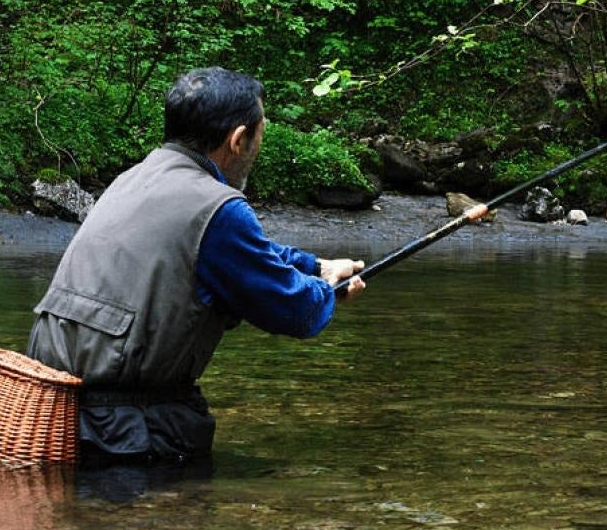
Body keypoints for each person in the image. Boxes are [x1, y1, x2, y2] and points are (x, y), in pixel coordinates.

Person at [26, 67, 365, 463]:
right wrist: (326, 292)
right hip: (127, 432)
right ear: (238, 140)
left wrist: (317, 266)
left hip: (51, 413)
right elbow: (294, 311)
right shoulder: (219, 206)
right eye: (260, 136)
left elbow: (242, 253)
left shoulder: (132, 179)